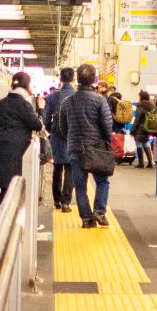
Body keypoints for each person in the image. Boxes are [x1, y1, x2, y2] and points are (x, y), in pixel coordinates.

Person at [59, 62, 116, 228]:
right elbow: (107, 125)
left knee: (80, 186)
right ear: (93, 79)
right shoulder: (100, 100)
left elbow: (62, 127)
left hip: (75, 149)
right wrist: (106, 143)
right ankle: (99, 212)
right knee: (102, 181)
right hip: (96, 148)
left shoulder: (67, 102)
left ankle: (86, 219)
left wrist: (71, 139)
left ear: (78, 79)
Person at [0, 72, 45, 211]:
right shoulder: (23, 105)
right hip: (17, 151)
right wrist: (41, 109)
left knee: (6, 186)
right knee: (10, 188)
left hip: (1, 149)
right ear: (27, 86)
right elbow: (37, 125)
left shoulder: (1, 104)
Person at [44, 67, 76, 212]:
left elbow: (45, 119)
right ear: (73, 78)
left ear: (60, 79)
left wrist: (52, 132)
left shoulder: (52, 97)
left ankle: (56, 200)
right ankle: (66, 202)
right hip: (73, 138)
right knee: (71, 169)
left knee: (57, 168)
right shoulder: (76, 96)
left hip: (56, 138)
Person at [136, 92, 157, 168]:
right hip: (149, 127)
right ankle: (150, 163)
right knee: (145, 143)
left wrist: (133, 129)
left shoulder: (140, 104)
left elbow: (138, 118)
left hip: (141, 127)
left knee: (138, 144)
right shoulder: (152, 105)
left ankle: (141, 163)